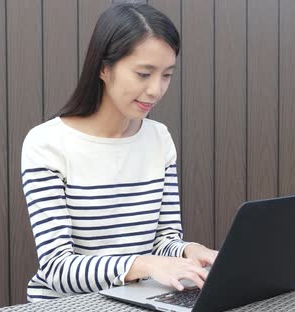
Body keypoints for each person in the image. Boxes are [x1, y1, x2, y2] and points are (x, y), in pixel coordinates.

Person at [21, 3, 218, 302]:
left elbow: (163, 242)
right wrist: (145, 264)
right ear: (103, 67)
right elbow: (57, 269)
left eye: (167, 75)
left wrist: (191, 251)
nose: (156, 90)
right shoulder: (47, 144)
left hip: (135, 301)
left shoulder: (158, 139)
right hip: (67, 305)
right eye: (143, 73)